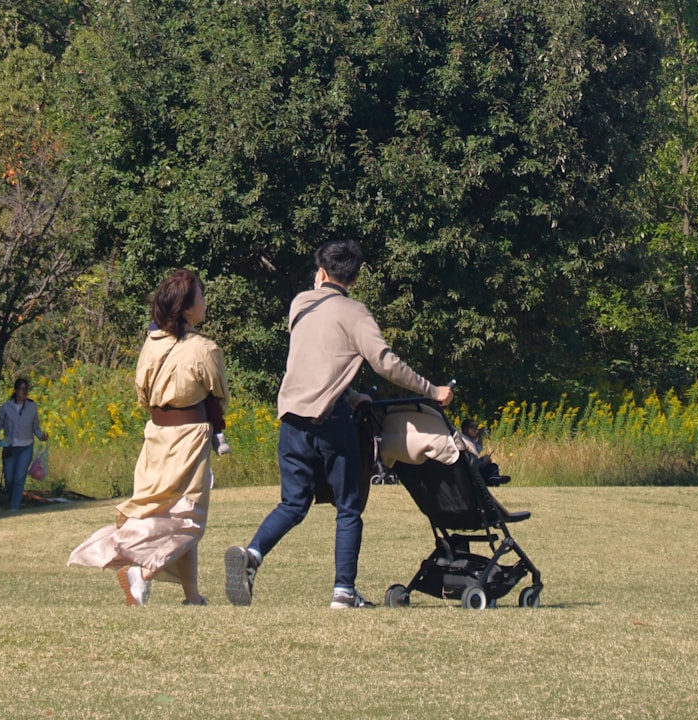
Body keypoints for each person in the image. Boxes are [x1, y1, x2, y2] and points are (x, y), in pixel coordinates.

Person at [224, 240, 454, 609]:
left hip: (291, 418)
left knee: (293, 503)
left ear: (321, 272)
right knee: (349, 506)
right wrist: (432, 391)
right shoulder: (355, 313)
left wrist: (352, 394)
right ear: (356, 276)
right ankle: (343, 591)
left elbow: (316, 359)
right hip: (330, 419)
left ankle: (252, 555)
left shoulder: (299, 304)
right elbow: (385, 363)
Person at [68, 269, 230, 607]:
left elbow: (143, 396)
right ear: (186, 308)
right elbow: (219, 393)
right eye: (200, 296)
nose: (204, 302)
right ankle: (142, 572)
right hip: (189, 437)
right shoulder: (204, 348)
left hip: (155, 436)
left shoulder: (151, 344)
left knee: (163, 513)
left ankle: (193, 596)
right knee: (188, 518)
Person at [0, 378, 48, 511]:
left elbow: (35, 427)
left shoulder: (32, 407)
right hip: (9, 447)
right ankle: (12, 499)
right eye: (21, 389)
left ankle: (14, 507)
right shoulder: (6, 407)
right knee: (9, 479)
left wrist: (42, 436)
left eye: (25, 390)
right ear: (16, 390)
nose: (23, 392)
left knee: (19, 477)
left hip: (26, 447)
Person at [460, 417, 510, 486]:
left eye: (476, 427)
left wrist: (479, 436)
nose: (476, 430)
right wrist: (483, 461)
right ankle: (492, 479)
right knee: (490, 467)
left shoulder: (471, 440)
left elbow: (478, 448)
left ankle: (494, 479)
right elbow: (473, 456)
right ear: (466, 429)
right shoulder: (464, 440)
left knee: (493, 466)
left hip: (475, 467)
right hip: (470, 471)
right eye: (473, 427)